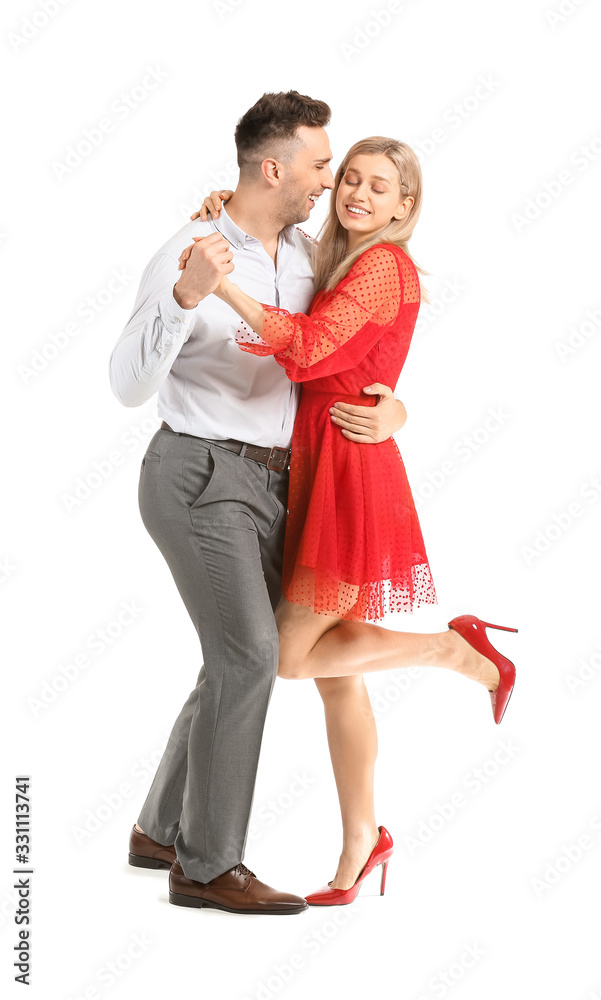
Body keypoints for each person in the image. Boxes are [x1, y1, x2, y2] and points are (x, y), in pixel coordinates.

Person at [178, 135, 519, 906]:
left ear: (406, 206)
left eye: (379, 187)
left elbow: (305, 350)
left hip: (345, 474)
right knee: (340, 678)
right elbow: (343, 339)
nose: (358, 194)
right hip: (322, 464)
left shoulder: (381, 265)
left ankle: (457, 650)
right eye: (350, 180)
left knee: (294, 658)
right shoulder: (339, 259)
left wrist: (220, 284)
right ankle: (361, 846)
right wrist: (223, 216)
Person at [109, 91, 408, 915]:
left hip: (281, 482)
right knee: (250, 658)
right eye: (321, 166)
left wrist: (394, 409)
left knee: (238, 654)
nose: (330, 183)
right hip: (197, 474)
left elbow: (342, 352)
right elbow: (126, 384)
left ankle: (158, 829)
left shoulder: (314, 257)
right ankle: (206, 867)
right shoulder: (190, 249)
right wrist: (183, 298)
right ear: (273, 168)